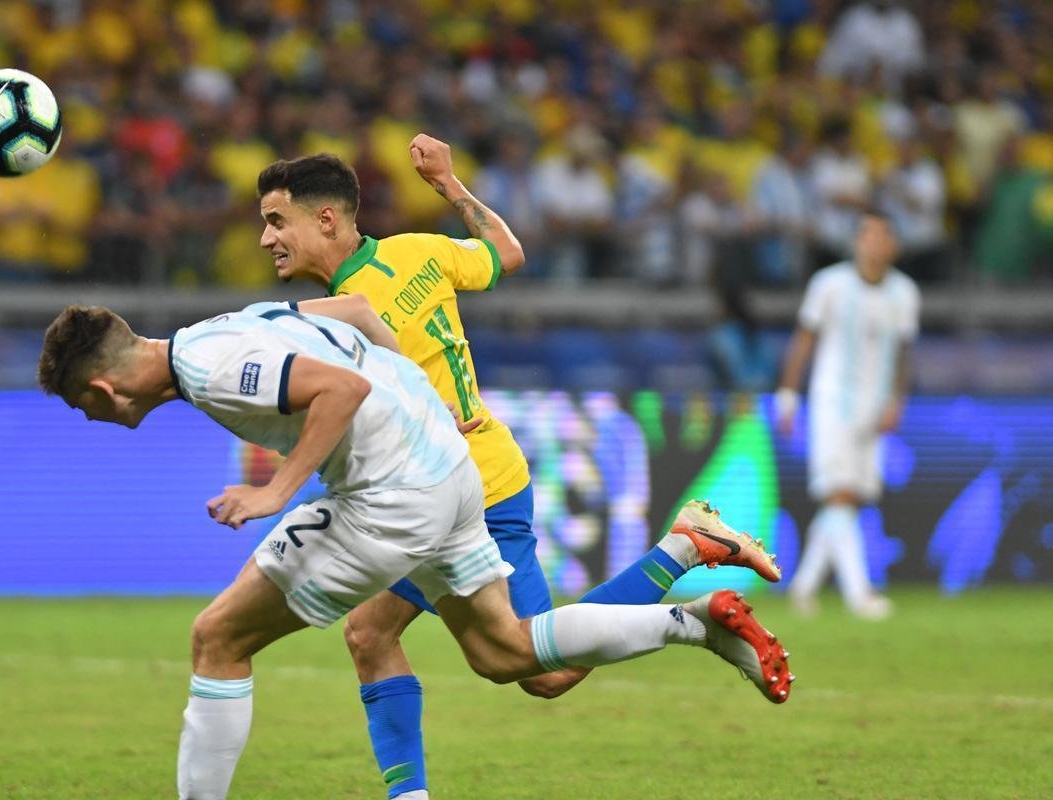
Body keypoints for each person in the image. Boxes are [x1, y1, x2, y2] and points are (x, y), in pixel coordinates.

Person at [37, 302, 794, 800]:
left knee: (218, 637)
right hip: (448, 470)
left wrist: (275, 492)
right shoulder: (222, 327)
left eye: (81, 407)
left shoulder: (208, 367)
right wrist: (417, 407)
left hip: (391, 495)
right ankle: (693, 621)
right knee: (507, 651)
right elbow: (359, 318)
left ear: (102, 392)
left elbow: (339, 389)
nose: (91, 418)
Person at [255, 140, 784, 800]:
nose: (264, 238)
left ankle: (686, 570)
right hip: (483, 472)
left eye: (277, 221)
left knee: (491, 656)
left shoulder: (343, 315)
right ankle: (683, 549)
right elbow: (508, 253)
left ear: (325, 220)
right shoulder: (418, 251)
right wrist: (450, 184)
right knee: (441, 649)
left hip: (446, 492)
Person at [776, 210, 920, 618]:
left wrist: (897, 401)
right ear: (857, 242)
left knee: (849, 499)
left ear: (894, 245)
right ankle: (860, 594)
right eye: (870, 235)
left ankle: (803, 586)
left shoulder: (905, 292)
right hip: (831, 402)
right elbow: (804, 338)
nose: (877, 243)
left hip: (873, 408)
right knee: (837, 492)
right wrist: (787, 394)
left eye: (885, 236)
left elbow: (904, 353)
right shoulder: (829, 285)